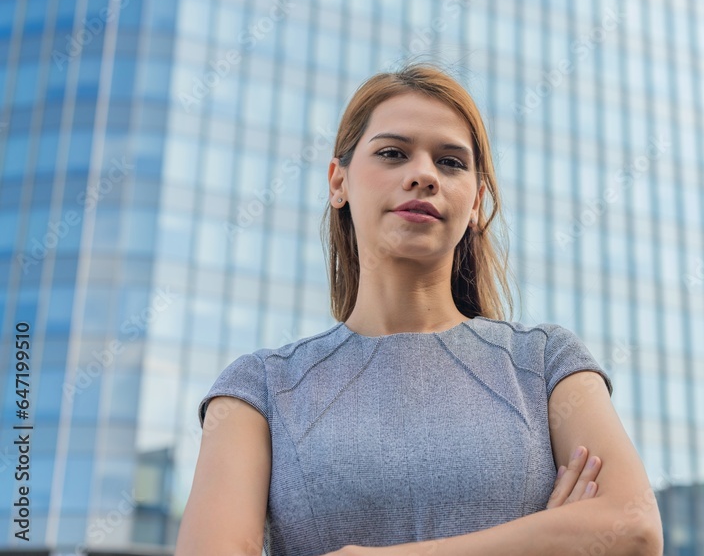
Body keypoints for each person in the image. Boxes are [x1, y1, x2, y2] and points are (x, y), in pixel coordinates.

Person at [176, 63, 663, 556]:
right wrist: (542, 542)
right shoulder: (259, 388)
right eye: (393, 153)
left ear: (476, 202)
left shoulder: (544, 363)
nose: (424, 175)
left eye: (451, 162)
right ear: (337, 182)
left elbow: (634, 528)